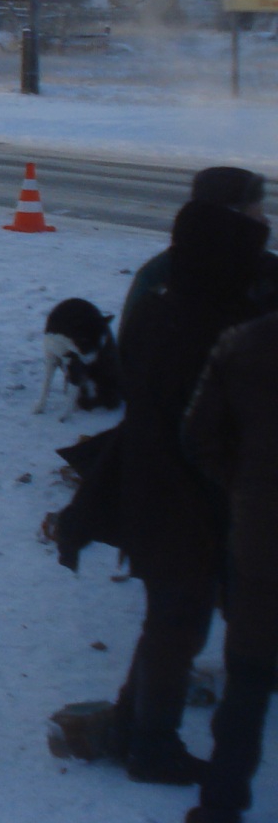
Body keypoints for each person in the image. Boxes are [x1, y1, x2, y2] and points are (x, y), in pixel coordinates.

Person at [109, 199, 272, 785]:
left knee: (169, 621)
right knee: (179, 625)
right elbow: (205, 429)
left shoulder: (160, 307)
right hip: (187, 498)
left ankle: (131, 726)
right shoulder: (215, 324)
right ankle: (152, 746)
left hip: (153, 487)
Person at [183, 309, 278, 823]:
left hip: (262, 540)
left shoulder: (243, 342)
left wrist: (244, 489)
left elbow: (198, 437)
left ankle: (219, 808)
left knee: (248, 679)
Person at [121, 168, 273, 337]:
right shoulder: (265, 274)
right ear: (232, 218)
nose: (265, 220)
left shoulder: (164, 270)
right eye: (257, 212)